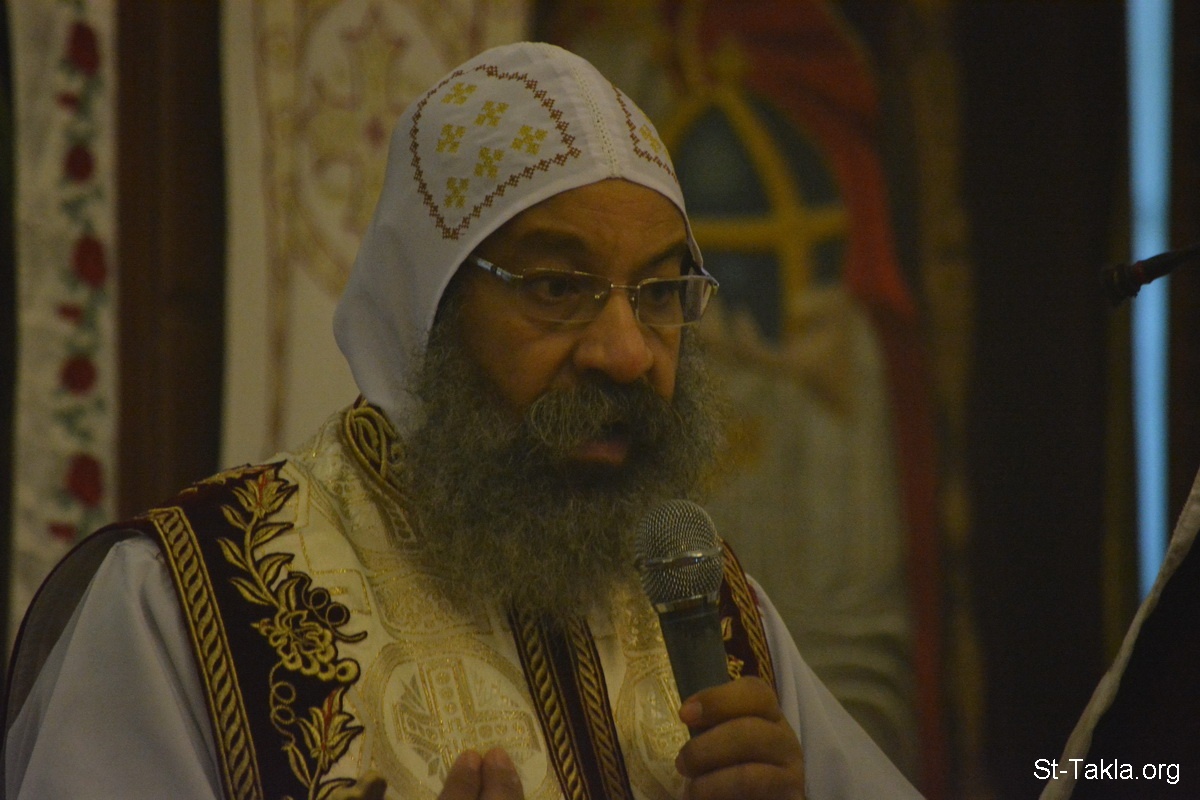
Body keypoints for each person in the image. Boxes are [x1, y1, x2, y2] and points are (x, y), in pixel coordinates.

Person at [2, 42, 921, 799]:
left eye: (659, 292)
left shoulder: (709, 608)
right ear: (428, 313)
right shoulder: (188, 603)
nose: (628, 353)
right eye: (557, 287)